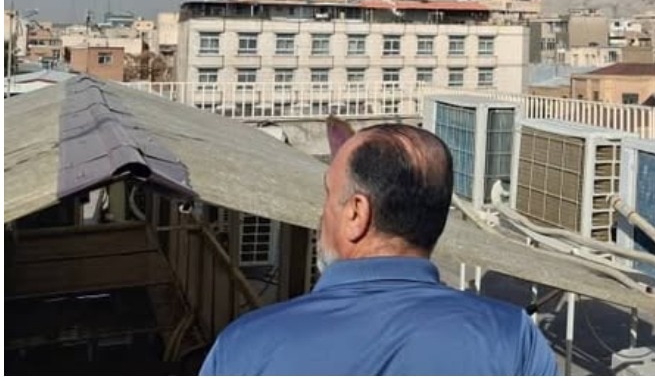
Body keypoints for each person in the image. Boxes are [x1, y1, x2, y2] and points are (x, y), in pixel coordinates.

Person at [199, 120, 560, 375]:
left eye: (328, 195)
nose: (321, 213)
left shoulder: (248, 346)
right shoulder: (513, 340)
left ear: (357, 213)